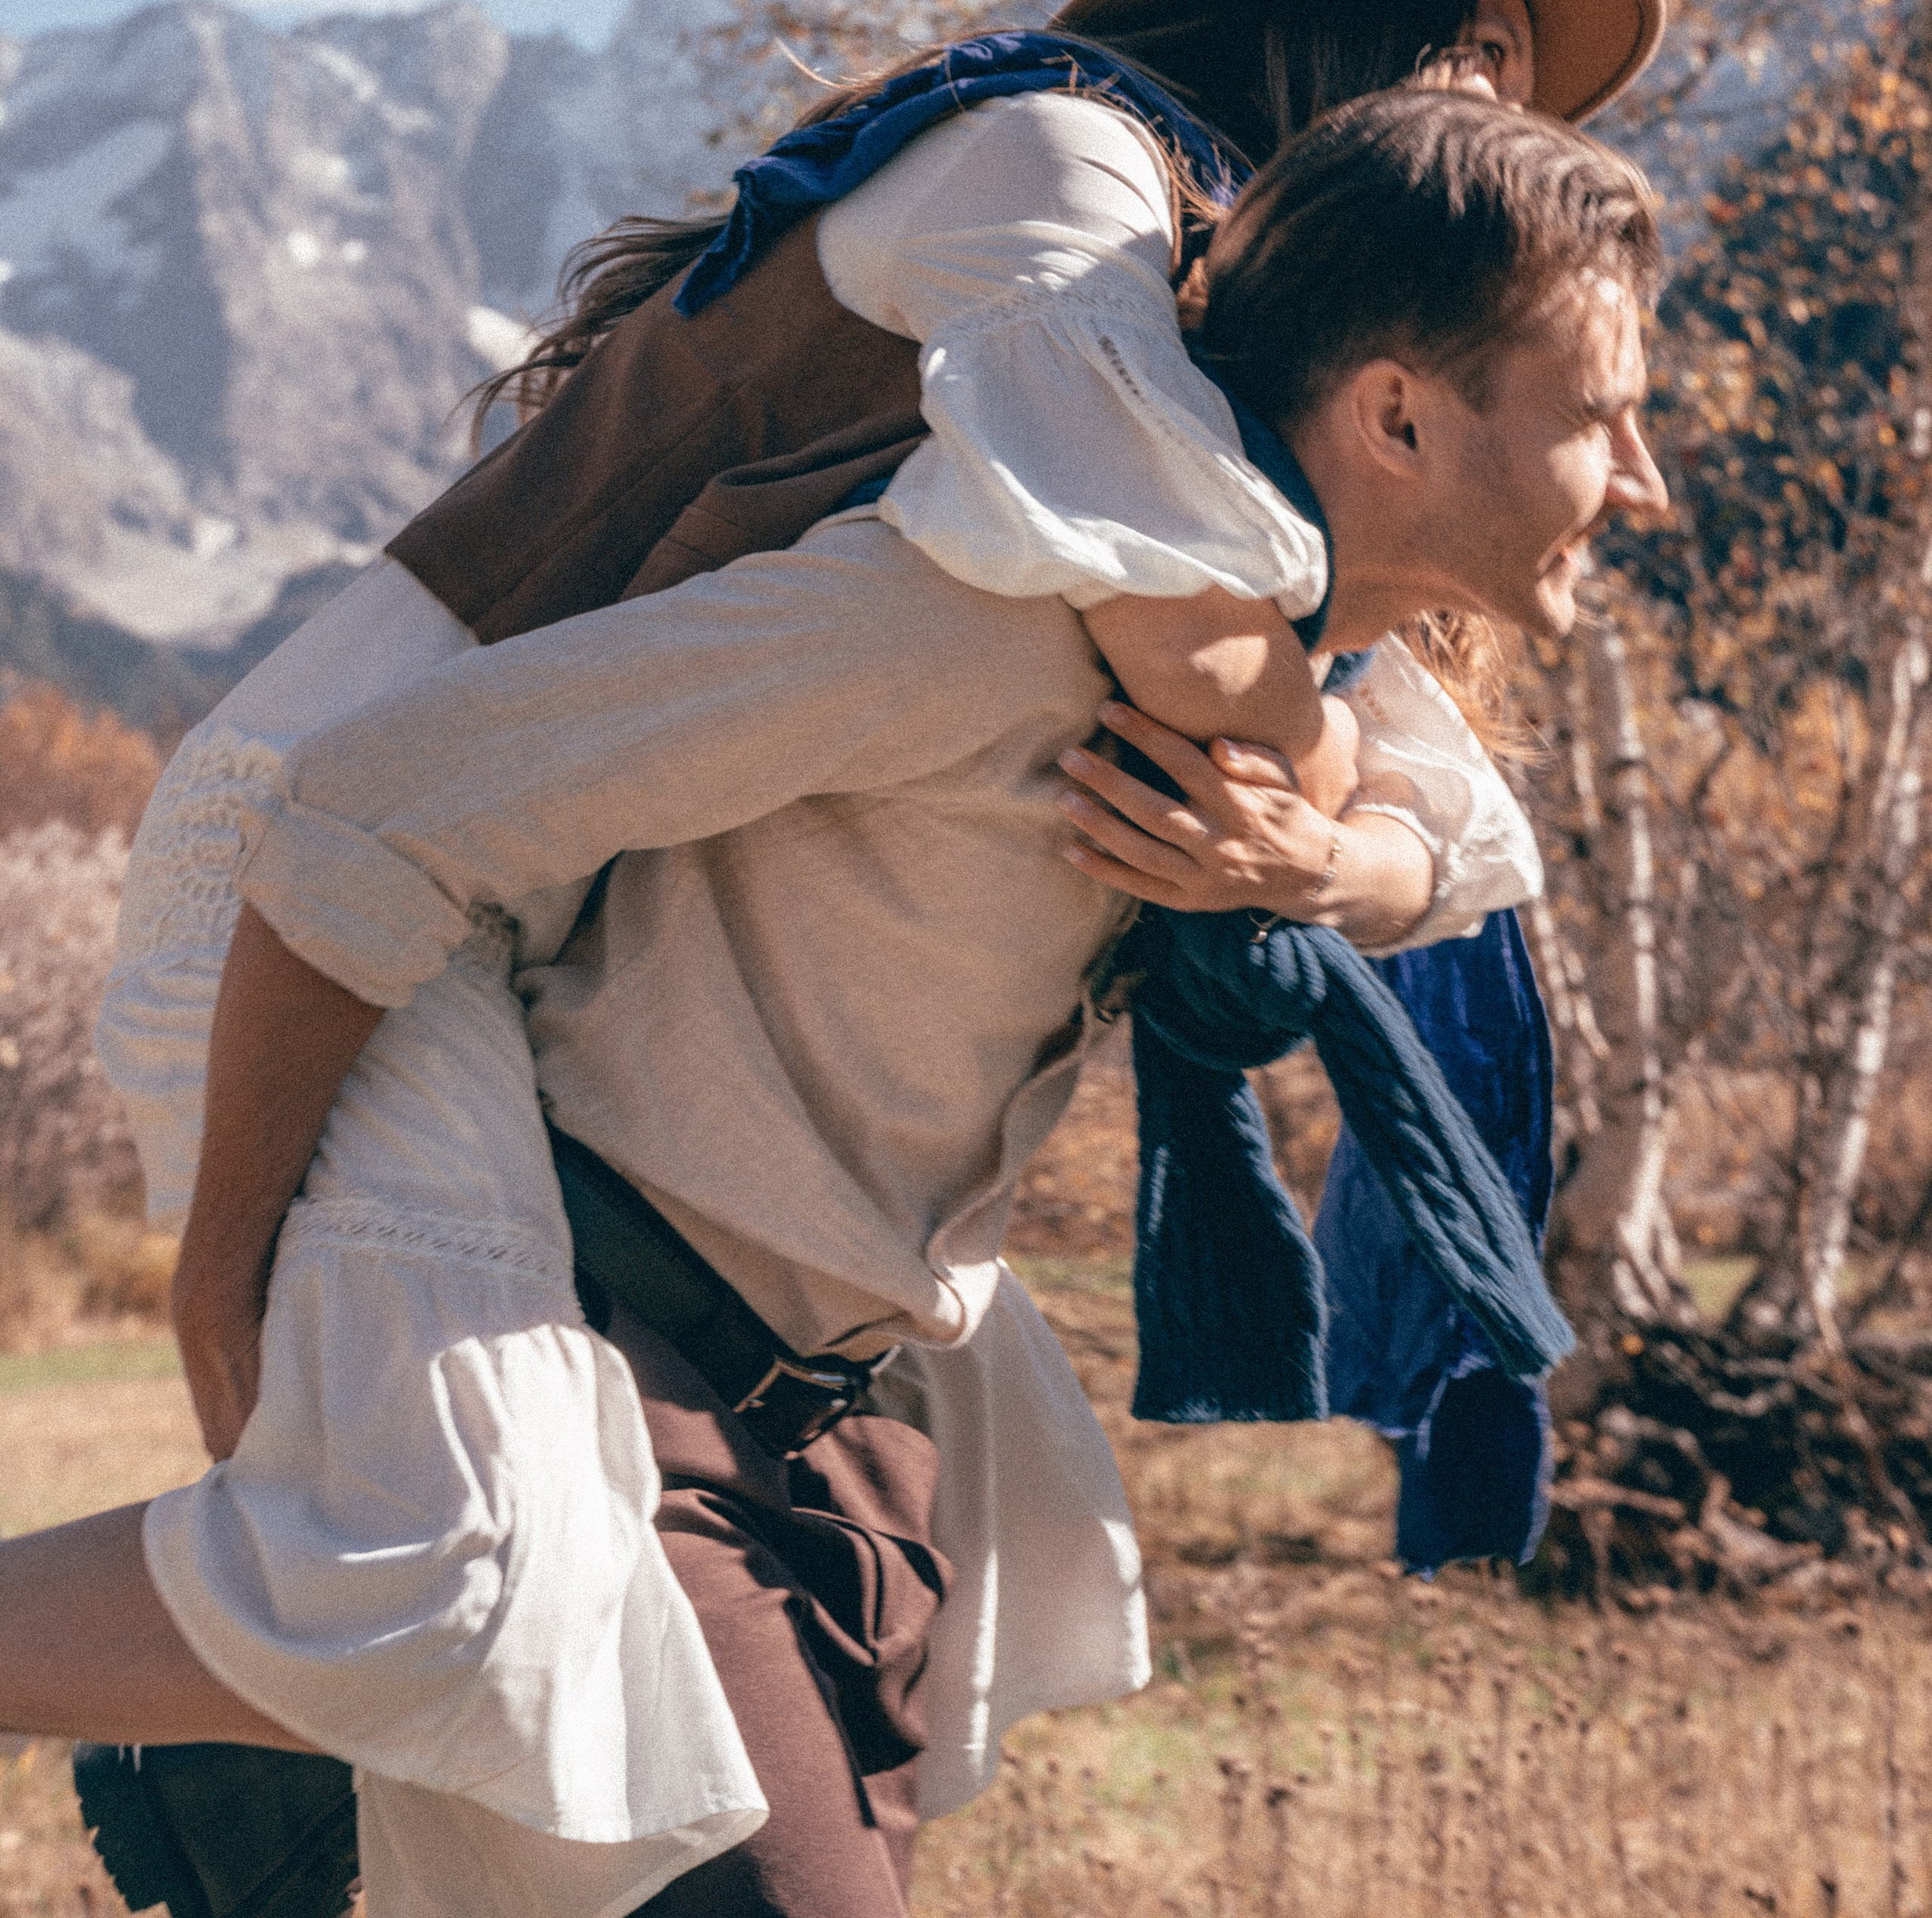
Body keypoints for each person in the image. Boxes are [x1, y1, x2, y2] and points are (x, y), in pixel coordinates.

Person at [1, 92, 1669, 1918]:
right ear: (1399, 416)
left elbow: (1454, 830)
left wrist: (1330, 865)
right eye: (1602, 416)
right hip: (611, 1380)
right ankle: (271, 1711)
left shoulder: (1300, 682)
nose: (1645, 475)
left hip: (837, 1433)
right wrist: (223, 1256)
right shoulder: (974, 619)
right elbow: (365, 816)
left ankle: (269, 1745)